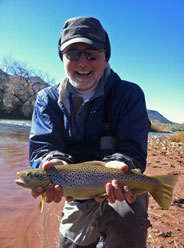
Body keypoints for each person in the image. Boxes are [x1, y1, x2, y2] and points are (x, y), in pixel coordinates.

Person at [29, 16, 151, 248]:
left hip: (120, 187)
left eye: (91, 53)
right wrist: (50, 162)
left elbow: (133, 149)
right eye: (73, 54)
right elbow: (43, 146)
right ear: (63, 58)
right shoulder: (47, 99)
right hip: (76, 190)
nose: (82, 62)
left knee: (127, 224)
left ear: (105, 57)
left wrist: (120, 164)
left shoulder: (129, 95)